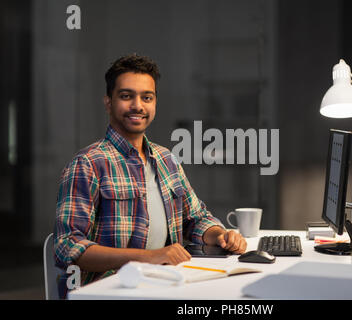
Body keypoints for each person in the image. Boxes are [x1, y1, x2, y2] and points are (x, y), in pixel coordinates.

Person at [54, 54, 247, 298]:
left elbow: (196, 219)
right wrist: (149, 257)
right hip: (112, 292)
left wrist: (221, 236)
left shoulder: (167, 159)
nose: (138, 106)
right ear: (108, 102)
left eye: (147, 97)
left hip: (167, 286)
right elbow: (67, 247)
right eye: (126, 96)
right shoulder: (87, 165)